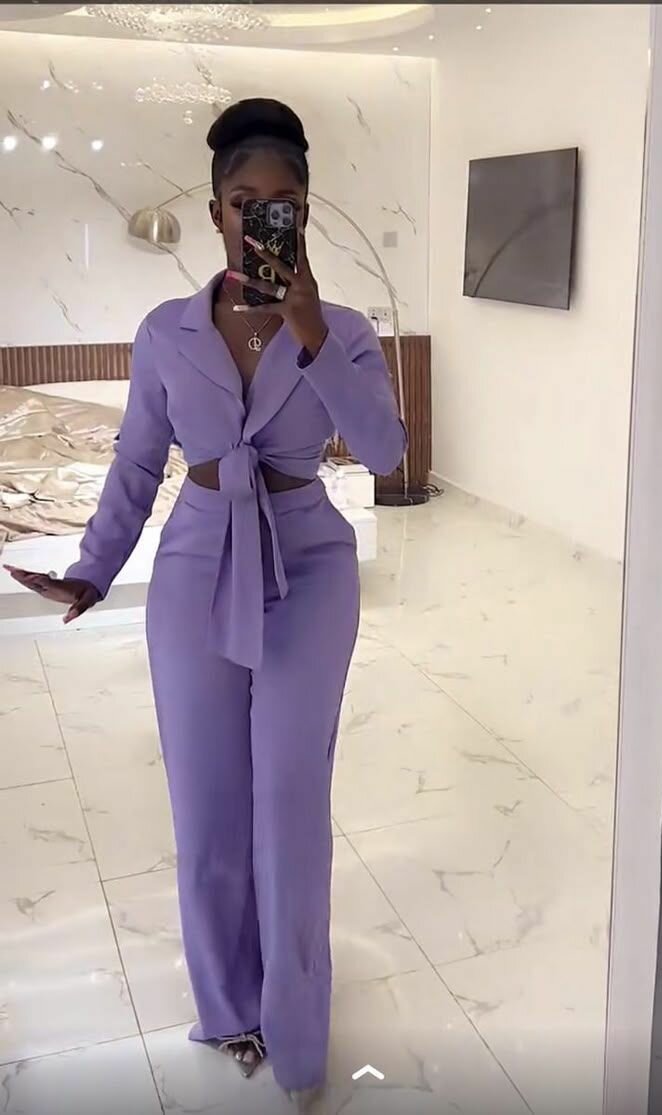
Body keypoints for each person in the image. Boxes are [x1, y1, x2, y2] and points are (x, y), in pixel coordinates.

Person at [6, 98, 406, 1109]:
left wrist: (310, 331)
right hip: (194, 566)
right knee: (208, 804)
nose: (262, 216)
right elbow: (139, 460)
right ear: (217, 209)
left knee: (290, 806)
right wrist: (93, 567)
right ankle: (229, 1009)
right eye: (244, 200)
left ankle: (299, 1031)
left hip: (308, 566)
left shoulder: (345, 331)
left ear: (303, 211)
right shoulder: (165, 332)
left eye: (284, 202)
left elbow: (386, 452)